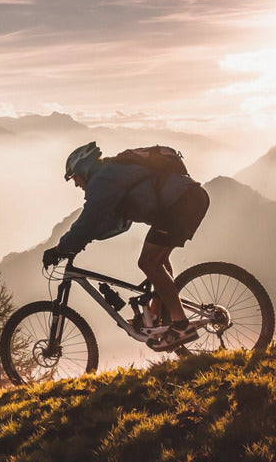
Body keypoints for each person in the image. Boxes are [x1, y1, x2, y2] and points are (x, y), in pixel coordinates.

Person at [42, 142, 210, 351]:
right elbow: (109, 223)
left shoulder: (103, 179)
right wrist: (79, 242)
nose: (76, 184)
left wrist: (61, 248)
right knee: (158, 260)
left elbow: (89, 218)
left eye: (74, 177)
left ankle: (181, 325)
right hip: (187, 201)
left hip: (182, 204)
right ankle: (159, 315)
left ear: (83, 168)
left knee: (148, 262)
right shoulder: (112, 176)